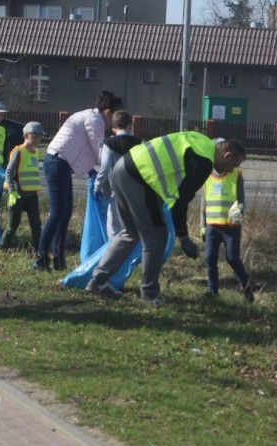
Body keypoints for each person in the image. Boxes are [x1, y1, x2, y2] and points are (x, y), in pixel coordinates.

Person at [85, 133, 246, 304]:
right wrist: (183, 237)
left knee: (130, 233)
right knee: (157, 237)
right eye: (232, 165)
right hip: (140, 177)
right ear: (227, 155)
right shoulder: (204, 161)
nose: (230, 171)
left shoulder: (201, 141)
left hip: (123, 167)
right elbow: (181, 202)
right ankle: (149, 294)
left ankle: (99, 280)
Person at [33, 90, 123, 271]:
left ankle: (58, 258)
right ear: (107, 111)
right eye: (113, 115)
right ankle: (40, 258)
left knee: (65, 214)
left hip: (62, 164)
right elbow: (99, 150)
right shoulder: (94, 120)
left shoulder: (87, 116)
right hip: (57, 163)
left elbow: (83, 149)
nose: (112, 120)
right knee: (57, 213)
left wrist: (92, 171)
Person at [200, 163, 253, 302]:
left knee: (232, 258)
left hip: (231, 228)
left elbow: (241, 200)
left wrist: (237, 216)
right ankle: (213, 291)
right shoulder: (206, 176)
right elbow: (204, 203)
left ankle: (247, 289)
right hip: (212, 226)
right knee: (210, 259)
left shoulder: (236, 176)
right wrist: (203, 226)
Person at [93, 109, 142, 239]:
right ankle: (133, 255)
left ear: (113, 128)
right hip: (135, 192)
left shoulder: (108, 144)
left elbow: (104, 167)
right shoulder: (140, 143)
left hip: (116, 191)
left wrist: (97, 187)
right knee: (132, 226)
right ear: (130, 126)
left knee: (114, 227)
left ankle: (116, 253)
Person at [0, 121, 45, 251]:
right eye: (34, 136)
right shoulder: (18, 151)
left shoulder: (36, 153)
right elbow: (9, 171)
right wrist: (12, 191)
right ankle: (2, 248)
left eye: (39, 137)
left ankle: (39, 249)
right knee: (13, 224)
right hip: (18, 194)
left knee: (36, 224)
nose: (37, 140)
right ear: (25, 135)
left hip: (32, 195)